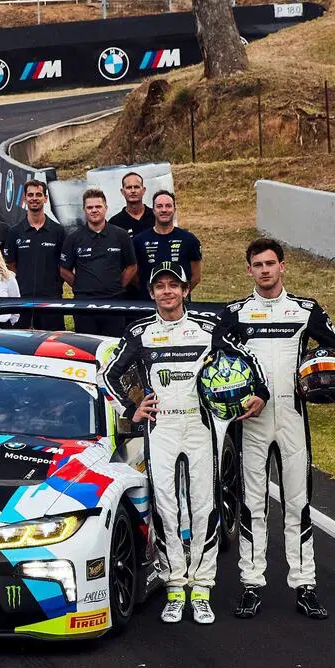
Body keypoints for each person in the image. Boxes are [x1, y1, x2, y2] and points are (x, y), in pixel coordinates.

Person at [100, 266, 262, 626]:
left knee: (204, 506)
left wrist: (259, 395)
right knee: (166, 507)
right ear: (152, 293)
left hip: (202, 424)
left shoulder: (207, 328)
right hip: (161, 427)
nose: (168, 292)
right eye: (161, 287)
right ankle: (175, 588)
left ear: (185, 291)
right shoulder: (140, 333)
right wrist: (131, 408)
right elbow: (107, 374)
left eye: (174, 285)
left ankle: (202, 589)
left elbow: (248, 361)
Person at [220, 238, 335, 620]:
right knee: (252, 504)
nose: (265, 270)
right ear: (249, 269)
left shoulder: (305, 310)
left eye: (271, 263)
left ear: (282, 266)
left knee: (297, 504)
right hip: (251, 421)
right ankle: (251, 584)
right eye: (258, 264)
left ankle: (305, 585)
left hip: (293, 417)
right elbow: (217, 363)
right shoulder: (235, 313)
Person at [61, 188, 137, 337]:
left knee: (113, 346)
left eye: (98, 206)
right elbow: (64, 270)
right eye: (90, 207)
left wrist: (117, 286)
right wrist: (81, 286)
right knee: (86, 348)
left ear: (106, 208)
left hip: (115, 303)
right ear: (84, 209)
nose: (94, 210)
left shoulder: (121, 235)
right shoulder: (73, 238)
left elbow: (132, 266)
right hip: (84, 305)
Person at [6, 180, 67, 330]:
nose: (34, 198)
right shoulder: (14, 232)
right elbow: (11, 266)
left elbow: (64, 266)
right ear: (24, 199)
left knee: (53, 345)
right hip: (23, 300)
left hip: (52, 300)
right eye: (30, 195)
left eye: (38, 195)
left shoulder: (58, 231)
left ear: (45, 198)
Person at [132, 190, 203, 295]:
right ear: (153, 210)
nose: (164, 210)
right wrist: (151, 293)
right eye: (159, 206)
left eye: (168, 206)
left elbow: (196, 277)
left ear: (174, 209)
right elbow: (133, 275)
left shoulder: (189, 240)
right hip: (148, 304)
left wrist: (179, 294)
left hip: (179, 304)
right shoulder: (138, 241)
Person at [114, 171, 156, 236]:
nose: (133, 191)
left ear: (143, 190)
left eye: (136, 187)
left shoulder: (156, 216)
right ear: (122, 192)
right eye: (129, 187)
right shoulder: (115, 223)